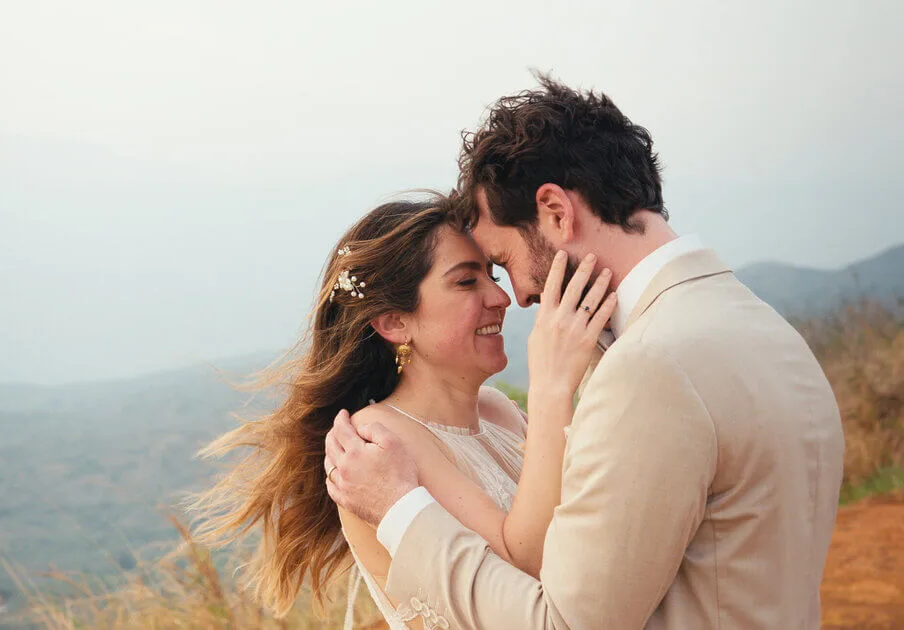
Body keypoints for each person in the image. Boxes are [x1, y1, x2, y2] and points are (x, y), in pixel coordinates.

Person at [324, 75, 845, 629]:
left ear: (555, 210)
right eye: (470, 279)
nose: (517, 295)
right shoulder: (765, 327)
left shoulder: (648, 369)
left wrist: (402, 513)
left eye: (504, 260)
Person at [190, 194, 614, 629]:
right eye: (467, 282)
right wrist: (551, 390)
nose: (500, 298)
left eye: (493, 275)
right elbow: (527, 567)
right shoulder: (378, 440)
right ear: (394, 323)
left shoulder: (498, 410)